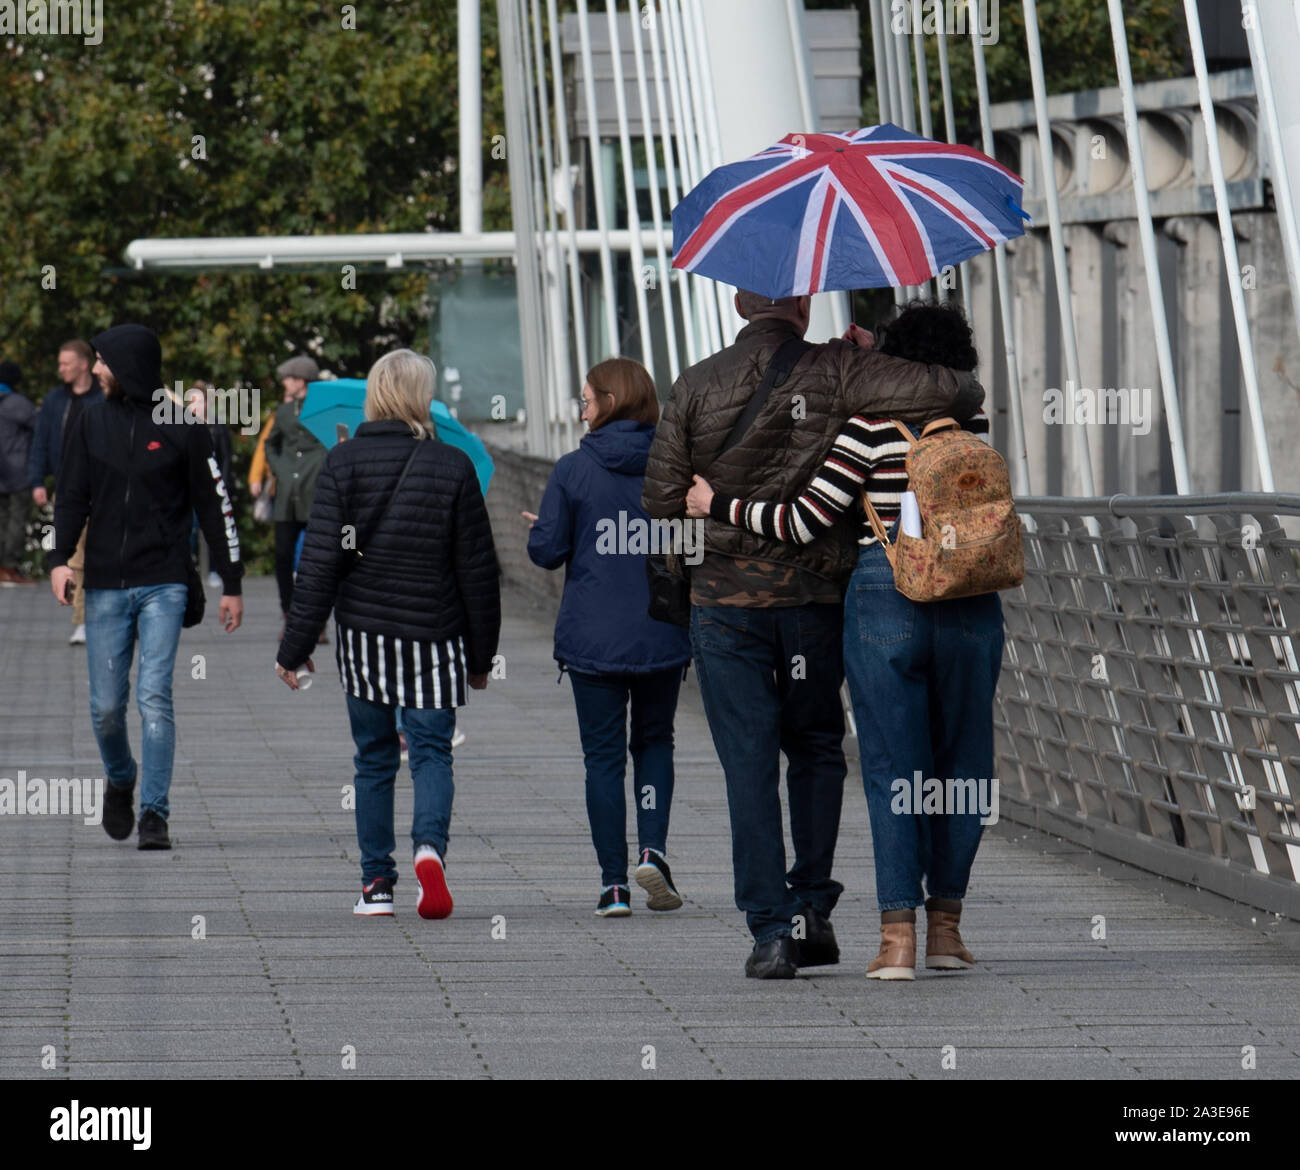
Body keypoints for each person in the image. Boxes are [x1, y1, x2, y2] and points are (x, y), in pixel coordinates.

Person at [642, 290, 981, 979]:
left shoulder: (695, 382)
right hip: (814, 600)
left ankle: (770, 932)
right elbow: (956, 388)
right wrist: (872, 354)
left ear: (739, 302)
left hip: (724, 601)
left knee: (748, 763)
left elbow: (660, 504)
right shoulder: (843, 370)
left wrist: (680, 597)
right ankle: (812, 908)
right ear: (801, 301)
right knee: (818, 750)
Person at [274, 348, 501, 920]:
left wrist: (295, 648)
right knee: (430, 754)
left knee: (374, 759)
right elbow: (477, 570)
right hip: (436, 635)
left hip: (366, 637)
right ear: (422, 398)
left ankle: (377, 884)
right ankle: (429, 849)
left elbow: (321, 562)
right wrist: (482, 655)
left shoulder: (342, 463)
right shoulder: (453, 466)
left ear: (374, 395)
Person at [48, 324, 244, 851]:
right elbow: (70, 497)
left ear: (130, 365)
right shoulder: (89, 422)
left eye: (103, 361)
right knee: (106, 707)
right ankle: (121, 777)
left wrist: (231, 579)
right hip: (105, 583)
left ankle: (155, 813)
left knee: (155, 695)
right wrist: (59, 559)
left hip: (164, 581)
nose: (96, 370)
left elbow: (214, 504)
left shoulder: (182, 426)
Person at [525, 358, 692, 917]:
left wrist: (546, 527)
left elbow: (546, 552)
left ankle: (612, 885)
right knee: (654, 743)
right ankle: (654, 849)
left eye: (586, 400)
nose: (581, 409)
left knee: (602, 759)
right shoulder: (675, 467)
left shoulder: (573, 469)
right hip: (660, 631)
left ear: (609, 403)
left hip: (593, 638)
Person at [28, 340, 103, 641]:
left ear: (84, 364)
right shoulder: (55, 400)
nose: (60, 369)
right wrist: (37, 481)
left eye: (66, 363)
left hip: (103, 487)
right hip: (68, 487)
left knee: (100, 552)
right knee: (74, 555)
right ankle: (82, 619)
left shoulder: (103, 399)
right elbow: (41, 442)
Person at [264, 355, 328, 640]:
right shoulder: (284, 410)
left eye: (288, 378)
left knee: (317, 560)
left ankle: (317, 621)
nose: (284, 383)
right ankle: (289, 614)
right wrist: (279, 468)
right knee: (282, 556)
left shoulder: (323, 410)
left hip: (315, 492)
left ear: (300, 381)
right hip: (288, 495)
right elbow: (270, 443)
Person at [185, 382, 236, 587]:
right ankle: (189, 567)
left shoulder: (217, 427)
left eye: (201, 400)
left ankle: (216, 569)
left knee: (215, 530)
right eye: (193, 400)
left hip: (212, 485)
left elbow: (226, 457)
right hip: (190, 486)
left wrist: (221, 483)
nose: (197, 405)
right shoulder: (181, 424)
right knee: (190, 530)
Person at [0, 360, 37, 585]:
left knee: (2, 520)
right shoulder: (18, 403)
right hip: (17, 471)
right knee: (17, 520)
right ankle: (9, 567)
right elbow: (39, 428)